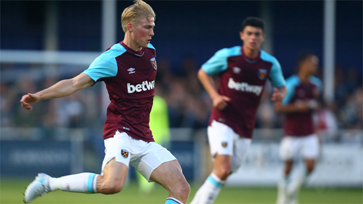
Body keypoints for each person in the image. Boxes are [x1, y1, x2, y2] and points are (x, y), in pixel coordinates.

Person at [20, 1, 190, 204]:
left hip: (144, 137)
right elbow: (74, 83)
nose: (152, 32)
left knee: (181, 188)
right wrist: (39, 95)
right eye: (147, 27)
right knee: (112, 185)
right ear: (130, 26)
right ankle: (48, 183)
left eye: (153, 27)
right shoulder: (112, 58)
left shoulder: (150, 52)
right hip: (121, 132)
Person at [190, 17, 286, 204]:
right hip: (222, 120)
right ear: (242, 35)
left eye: (257, 34)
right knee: (223, 169)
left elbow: (281, 86)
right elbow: (203, 72)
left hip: (246, 126)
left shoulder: (269, 63)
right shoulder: (228, 56)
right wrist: (215, 96)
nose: (253, 37)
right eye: (249, 33)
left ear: (263, 37)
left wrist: (280, 94)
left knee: (224, 173)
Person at [275, 52, 322, 204]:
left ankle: (293, 188)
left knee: (310, 166)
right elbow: (279, 107)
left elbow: (316, 105)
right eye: (312, 63)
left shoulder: (316, 84)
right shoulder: (291, 84)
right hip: (292, 132)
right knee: (288, 166)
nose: (315, 67)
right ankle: (282, 197)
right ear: (303, 64)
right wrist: (298, 107)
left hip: (309, 131)